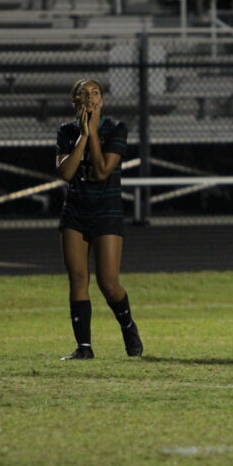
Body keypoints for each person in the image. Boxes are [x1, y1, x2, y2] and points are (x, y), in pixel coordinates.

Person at [54, 79, 141, 361]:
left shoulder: (116, 129)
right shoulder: (66, 132)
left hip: (106, 210)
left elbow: (103, 170)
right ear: (75, 103)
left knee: (108, 283)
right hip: (75, 212)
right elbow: (66, 173)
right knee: (78, 278)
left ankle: (128, 327)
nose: (90, 98)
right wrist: (83, 135)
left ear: (102, 100)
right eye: (84, 94)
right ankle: (84, 348)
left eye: (95, 93)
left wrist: (93, 134)